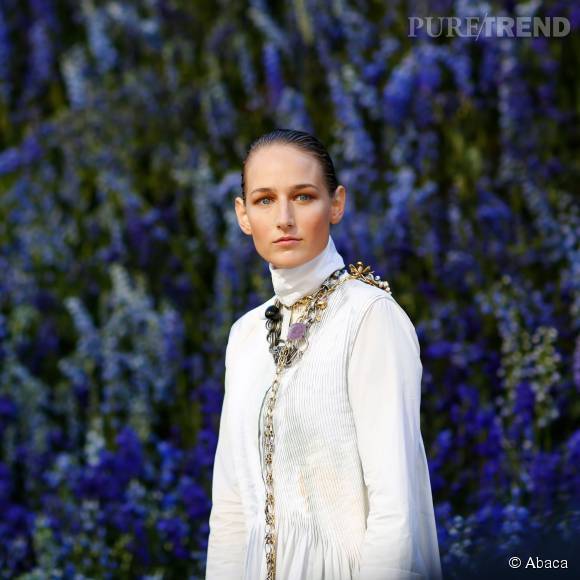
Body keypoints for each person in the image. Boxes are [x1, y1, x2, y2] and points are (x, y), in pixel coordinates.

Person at [205, 128, 443, 580]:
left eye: (303, 196)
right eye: (264, 200)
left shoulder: (370, 318)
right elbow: (232, 512)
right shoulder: (245, 336)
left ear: (336, 204)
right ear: (242, 215)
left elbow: (395, 510)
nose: (284, 219)